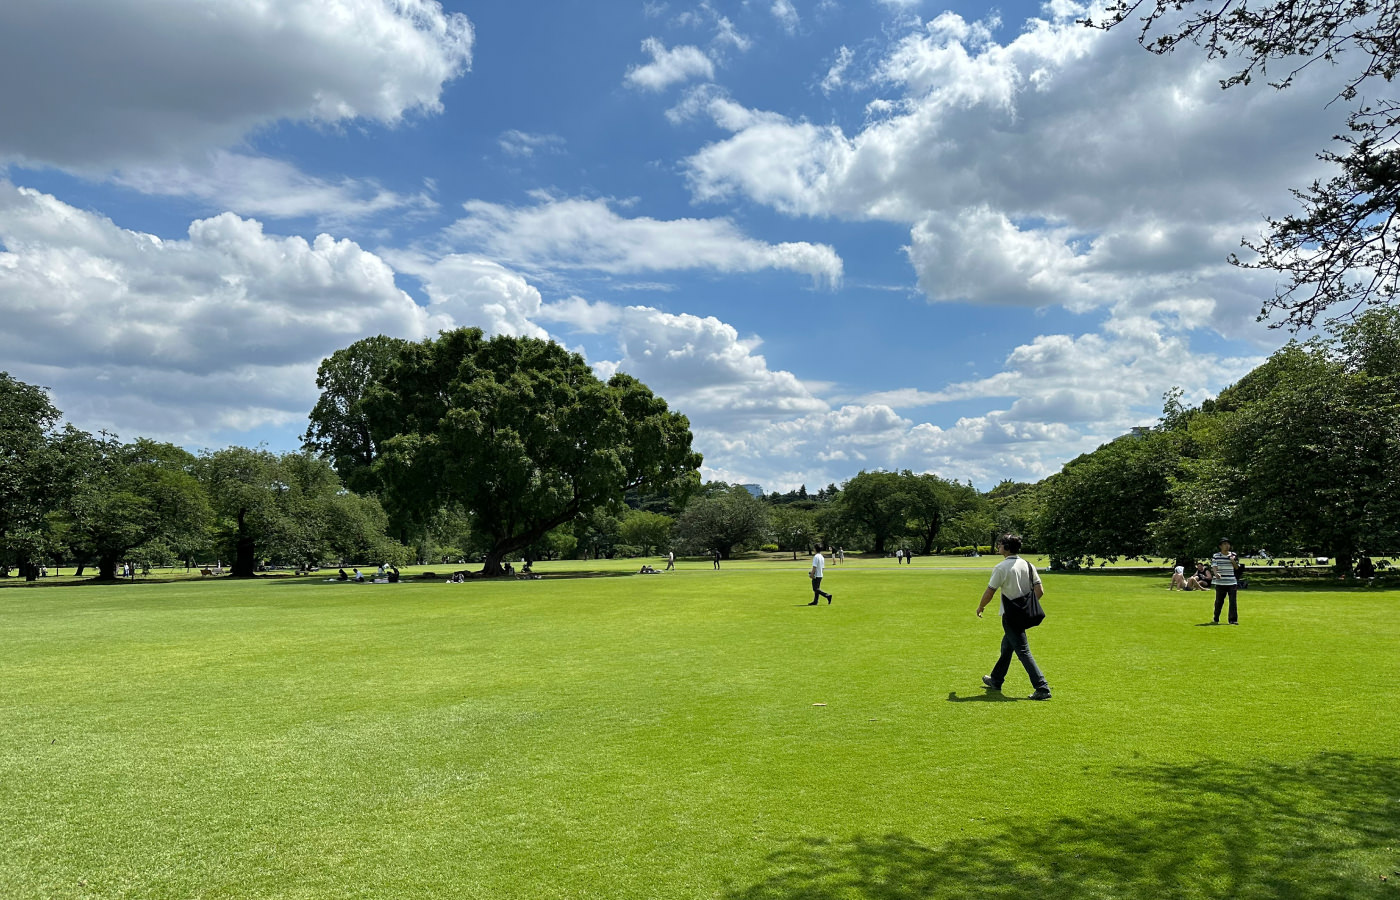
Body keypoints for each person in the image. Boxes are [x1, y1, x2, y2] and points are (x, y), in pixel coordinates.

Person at [976, 534, 1051, 700]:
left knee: (1023, 651)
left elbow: (990, 591)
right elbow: (1040, 591)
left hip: (1010, 615)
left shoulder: (1001, 568)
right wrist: (1026, 606)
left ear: (1007, 547)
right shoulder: (1028, 565)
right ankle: (996, 679)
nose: (998, 547)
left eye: (1000, 544)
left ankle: (1042, 687)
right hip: (1024, 614)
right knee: (1007, 646)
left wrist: (981, 606)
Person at [1211, 538, 1239, 624]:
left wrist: (1232, 560)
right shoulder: (1216, 556)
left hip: (1231, 581)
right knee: (1219, 601)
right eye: (1224, 544)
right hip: (1220, 582)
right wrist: (1216, 574)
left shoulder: (1234, 555)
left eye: (1228, 544)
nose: (1227, 546)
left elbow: (1237, 567)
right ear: (1220, 546)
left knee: (1233, 602)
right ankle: (1216, 617)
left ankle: (1233, 620)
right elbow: (1214, 566)